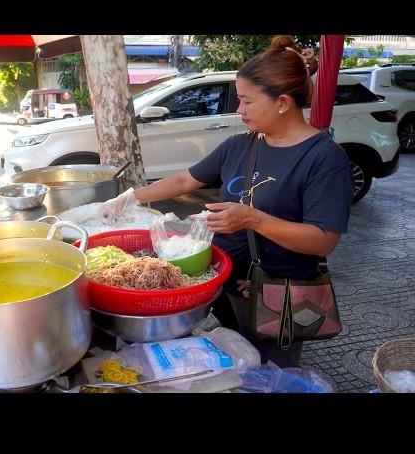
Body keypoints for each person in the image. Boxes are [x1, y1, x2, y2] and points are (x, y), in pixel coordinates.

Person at [98, 36, 354, 368]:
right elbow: (184, 180)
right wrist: (129, 196)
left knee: (267, 376)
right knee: (220, 372)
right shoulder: (239, 146)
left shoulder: (323, 158)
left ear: (283, 102)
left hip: (275, 298)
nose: (239, 110)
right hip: (219, 289)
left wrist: (253, 219)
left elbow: (323, 240)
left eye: (247, 102)